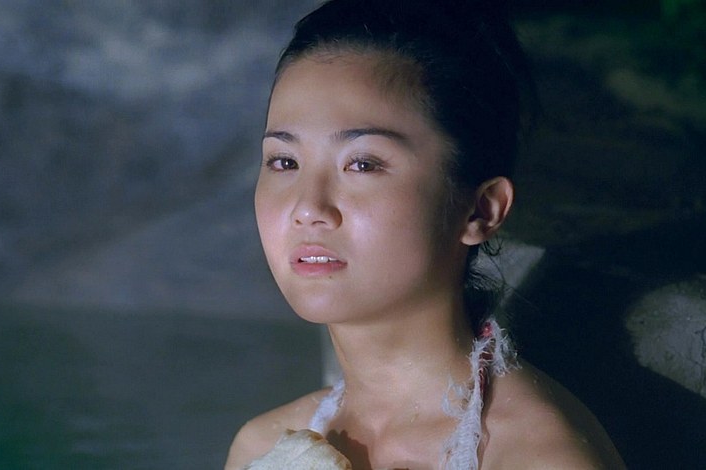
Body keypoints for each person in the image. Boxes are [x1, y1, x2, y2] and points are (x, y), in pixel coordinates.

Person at [226, 0, 625, 468]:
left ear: (480, 209)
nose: (308, 208)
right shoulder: (261, 448)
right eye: (284, 161)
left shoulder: (537, 456)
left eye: (362, 164)